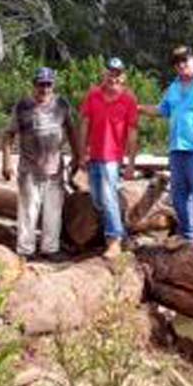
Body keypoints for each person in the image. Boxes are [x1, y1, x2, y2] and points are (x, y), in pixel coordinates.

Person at [139, 46, 193, 258]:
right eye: (178, 63)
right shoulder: (174, 87)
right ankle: (187, 234)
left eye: (185, 61)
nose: (182, 65)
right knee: (179, 196)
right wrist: (139, 108)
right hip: (177, 149)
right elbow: (162, 110)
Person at [1, 67, 80, 260]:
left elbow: (71, 130)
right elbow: (8, 135)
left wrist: (78, 156)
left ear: (53, 85)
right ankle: (25, 250)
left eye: (48, 84)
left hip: (55, 168)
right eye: (40, 84)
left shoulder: (61, 104)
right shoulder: (23, 106)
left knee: (53, 210)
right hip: (29, 168)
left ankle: (50, 248)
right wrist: (6, 162)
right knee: (29, 210)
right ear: (34, 85)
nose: (44, 89)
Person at [79, 57, 139, 259]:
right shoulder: (93, 95)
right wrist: (81, 153)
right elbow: (85, 124)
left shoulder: (129, 99)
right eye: (110, 72)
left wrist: (130, 163)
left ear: (123, 76)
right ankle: (119, 231)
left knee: (107, 196)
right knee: (97, 199)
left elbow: (132, 133)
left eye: (118, 73)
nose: (113, 77)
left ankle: (114, 240)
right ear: (104, 73)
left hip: (113, 158)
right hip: (94, 155)